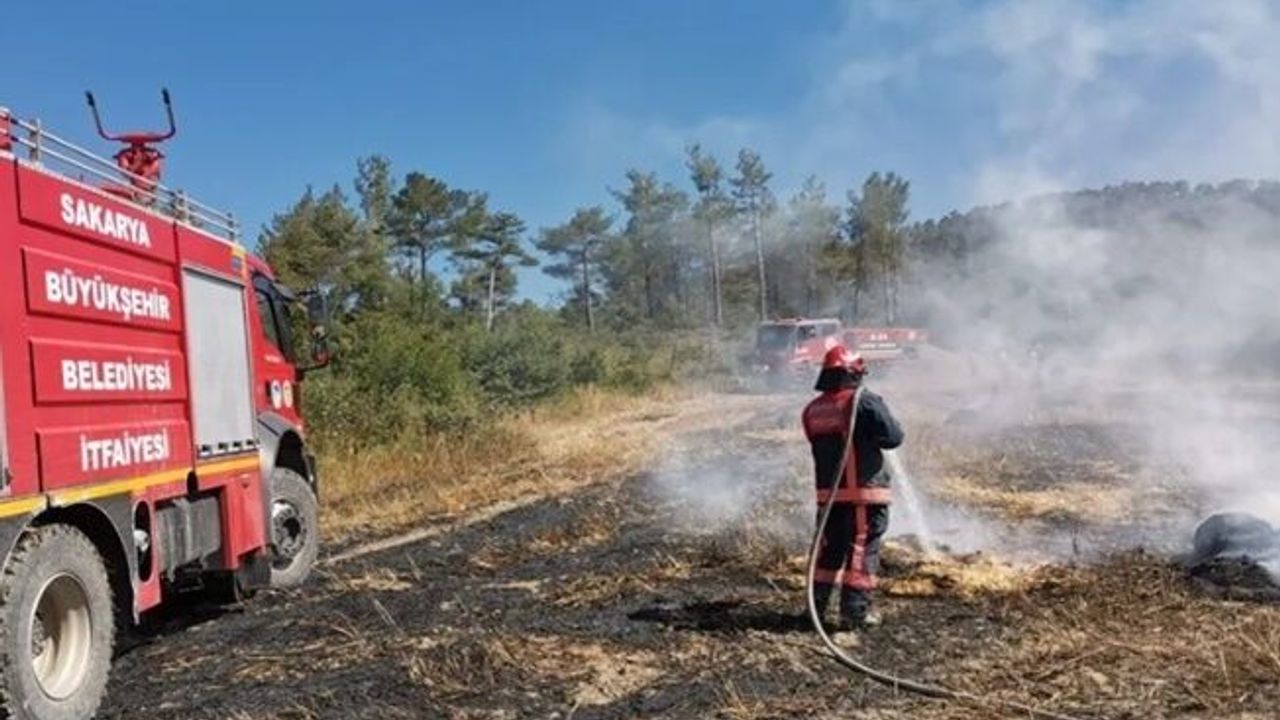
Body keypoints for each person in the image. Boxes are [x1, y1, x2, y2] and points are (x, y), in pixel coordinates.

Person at [802, 345, 904, 629]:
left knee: (827, 554)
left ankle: (815, 609)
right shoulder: (864, 401)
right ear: (853, 373)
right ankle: (855, 613)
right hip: (863, 495)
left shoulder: (812, 410)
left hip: (829, 498)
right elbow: (894, 437)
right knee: (860, 550)